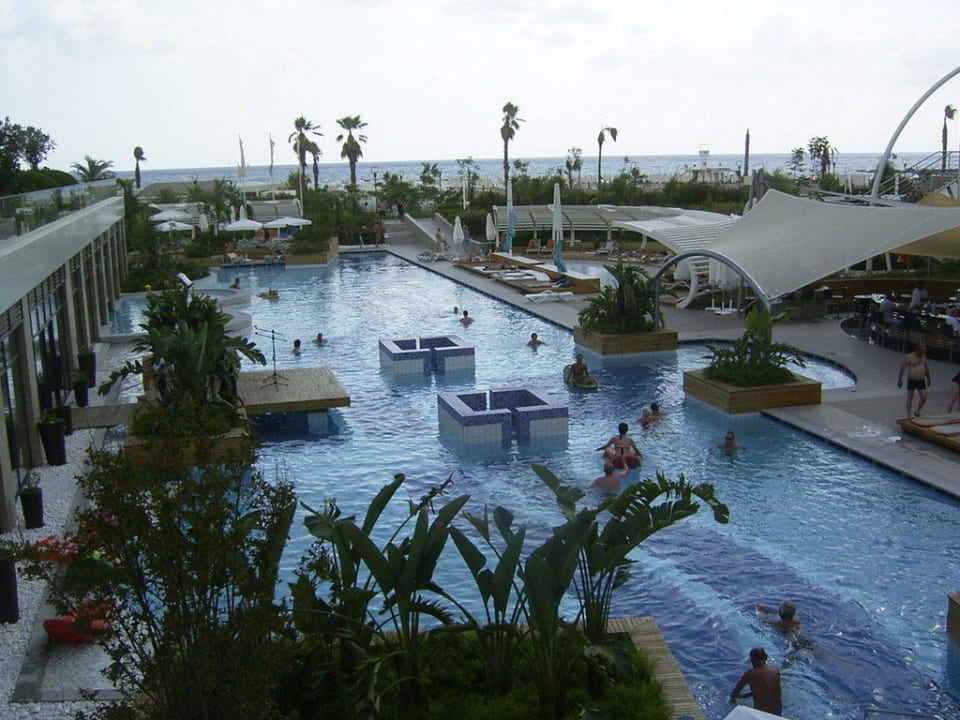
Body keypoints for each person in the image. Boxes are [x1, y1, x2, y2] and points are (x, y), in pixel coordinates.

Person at [729, 647, 782, 716]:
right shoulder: (776, 670)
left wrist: (734, 699)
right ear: (765, 657)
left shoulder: (750, 674)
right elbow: (770, 690)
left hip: (761, 713)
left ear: (752, 660)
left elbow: (735, 693)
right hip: (777, 712)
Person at [897, 344, 931, 417]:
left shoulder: (923, 356)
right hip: (912, 380)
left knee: (924, 398)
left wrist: (928, 378)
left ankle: (917, 411)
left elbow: (926, 367)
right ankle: (908, 415)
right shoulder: (909, 357)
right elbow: (902, 368)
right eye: (922, 351)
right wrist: (900, 380)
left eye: (924, 351)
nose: (923, 353)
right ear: (918, 350)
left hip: (921, 380)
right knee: (910, 398)